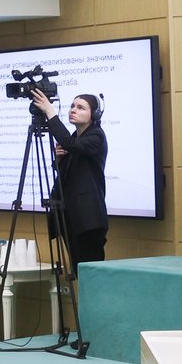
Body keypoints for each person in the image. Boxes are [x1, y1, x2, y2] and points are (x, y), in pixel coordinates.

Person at [32, 89, 109, 269]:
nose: (73, 110)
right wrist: (59, 160)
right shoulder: (75, 138)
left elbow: (69, 144)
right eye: (73, 106)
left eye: (81, 108)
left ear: (94, 115)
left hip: (88, 220)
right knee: (78, 271)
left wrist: (50, 112)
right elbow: (69, 172)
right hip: (71, 216)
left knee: (90, 274)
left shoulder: (96, 135)